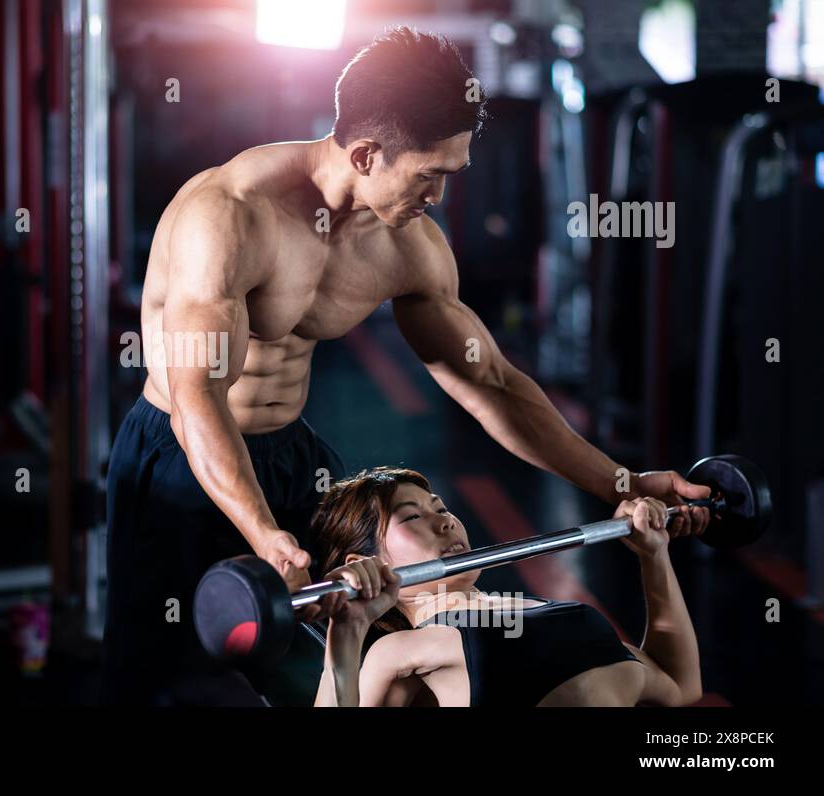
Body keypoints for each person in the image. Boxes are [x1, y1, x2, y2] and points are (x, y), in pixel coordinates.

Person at [101, 26, 711, 706]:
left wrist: (621, 479)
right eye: (431, 175)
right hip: (181, 455)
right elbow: (197, 398)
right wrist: (265, 535)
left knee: (349, 663)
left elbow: (491, 383)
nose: (441, 198)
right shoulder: (229, 217)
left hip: (293, 459)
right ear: (366, 153)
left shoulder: (408, 244)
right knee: (163, 679)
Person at [310, 467, 706, 707]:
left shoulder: (540, 608)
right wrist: (346, 630)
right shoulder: (398, 650)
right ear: (364, 564)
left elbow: (679, 686)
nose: (446, 522)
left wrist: (653, 555)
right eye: (412, 516)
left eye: (441, 508)